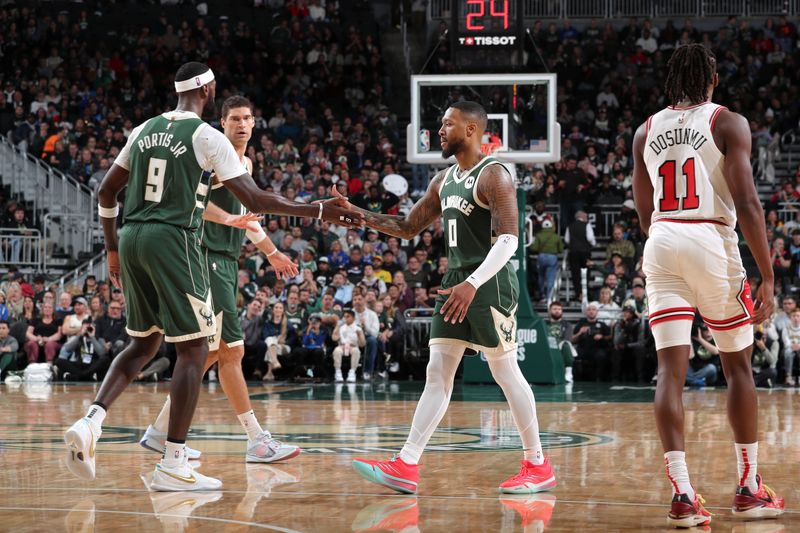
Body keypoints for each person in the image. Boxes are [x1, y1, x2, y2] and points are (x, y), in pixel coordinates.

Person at [63, 62, 362, 492]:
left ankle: (93, 420)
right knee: (195, 349)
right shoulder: (207, 137)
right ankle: (173, 461)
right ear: (208, 89)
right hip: (175, 240)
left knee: (144, 342)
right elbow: (256, 199)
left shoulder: (144, 129)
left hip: (130, 236)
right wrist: (318, 210)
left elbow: (106, 192)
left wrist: (111, 246)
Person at [349, 101, 556, 495]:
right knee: (437, 373)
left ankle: (537, 463)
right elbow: (409, 227)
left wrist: (474, 282)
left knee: (505, 372)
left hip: (488, 281)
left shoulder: (495, 175)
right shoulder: (443, 180)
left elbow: (510, 239)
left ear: (473, 129)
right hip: (456, 279)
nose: (440, 130)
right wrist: (359, 214)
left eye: (448, 124)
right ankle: (406, 464)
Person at [631, 44, 784, 525]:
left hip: (661, 239)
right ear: (712, 79)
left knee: (669, 372)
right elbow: (749, 203)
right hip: (710, 237)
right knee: (738, 367)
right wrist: (768, 273)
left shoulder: (644, 130)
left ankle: (682, 495)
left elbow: (641, 212)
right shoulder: (727, 122)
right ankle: (749, 487)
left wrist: (668, 236)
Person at [140, 95, 301, 466]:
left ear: (255, 123)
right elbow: (189, 202)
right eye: (233, 119)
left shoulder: (243, 163)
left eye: (247, 118)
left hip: (225, 263)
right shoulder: (213, 159)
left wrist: (272, 252)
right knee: (230, 352)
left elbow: (247, 219)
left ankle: (158, 433)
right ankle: (256, 441)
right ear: (221, 124)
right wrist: (227, 222)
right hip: (205, 259)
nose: (241, 125)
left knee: (216, 353)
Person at [530, 219, 564, 302]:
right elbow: (561, 249)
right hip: (552, 257)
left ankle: (542, 295)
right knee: (550, 277)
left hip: (541, 257)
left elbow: (534, 248)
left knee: (541, 276)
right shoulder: (556, 236)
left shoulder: (539, 235)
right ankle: (549, 296)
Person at [332, 308, 365, 383]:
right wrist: (337, 327)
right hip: (342, 345)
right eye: (345, 317)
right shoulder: (341, 327)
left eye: (348, 316)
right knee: (337, 351)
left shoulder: (358, 328)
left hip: (353, 346)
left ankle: (352, 372)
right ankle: (338, 372)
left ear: (353, 318)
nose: (346, 318)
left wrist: (360, 336)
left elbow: (362, 344)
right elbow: (334, 338)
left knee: (356, 351)